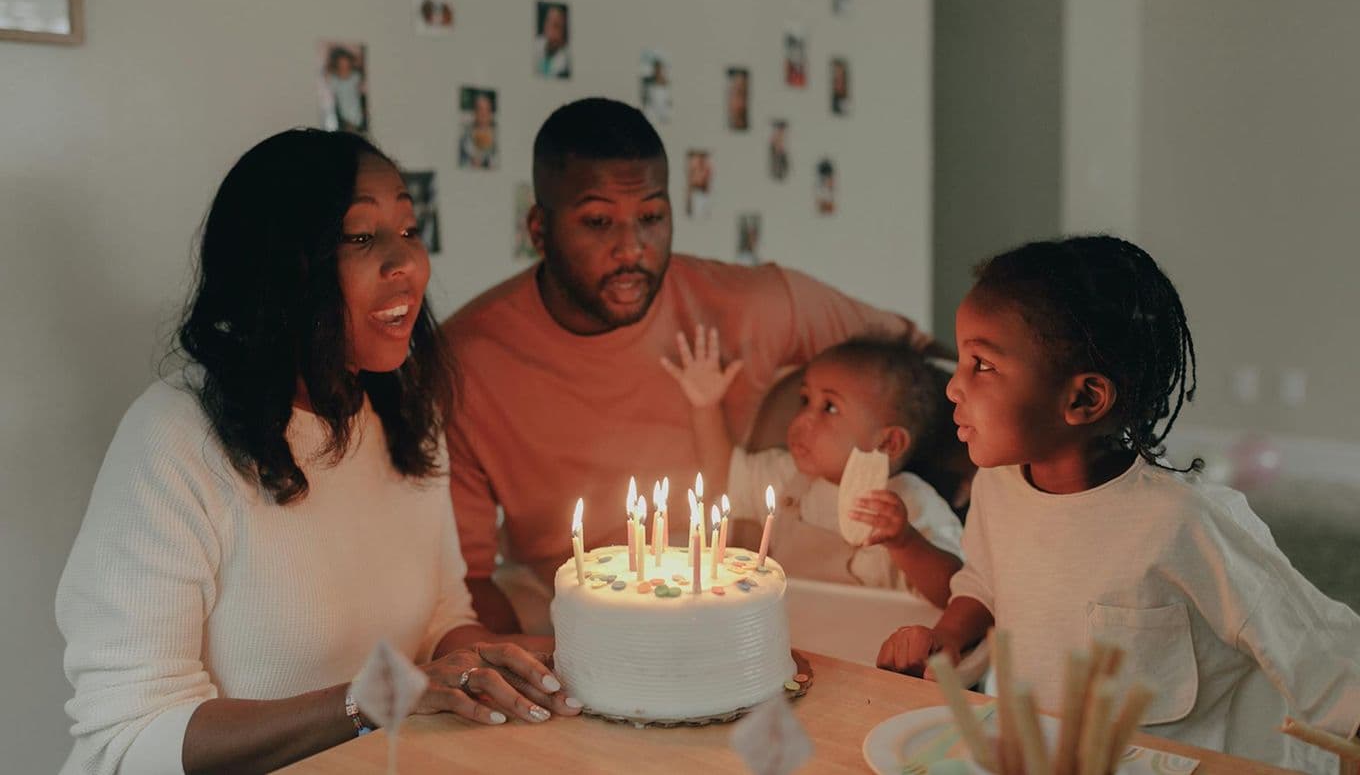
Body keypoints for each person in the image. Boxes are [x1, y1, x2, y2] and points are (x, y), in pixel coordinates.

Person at [56, 130, 580, 775]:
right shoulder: (176, 437)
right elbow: (131, 738)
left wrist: (533, 660)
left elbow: (443, 620)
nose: (408, 264)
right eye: (360, 238)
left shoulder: (404, 412)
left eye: (410, 232)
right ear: (280, 264)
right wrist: (371, 701)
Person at [440, 97, 938, 634]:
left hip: (731, 594)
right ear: (539, 229)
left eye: (651, 217)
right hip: (559, 598)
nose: (631, 248)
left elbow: (920, 364)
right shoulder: (467, 360)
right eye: (598, 222)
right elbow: (465, 581)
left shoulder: (752, 306)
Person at [876, 235, 1360, 773]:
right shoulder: (998, 485)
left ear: (1082, 399)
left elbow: (1312, 641)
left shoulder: (1185, 521)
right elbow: (986, 582)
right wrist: (946, 637)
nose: (954, 389)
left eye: (982, 365)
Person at [662, 331, 962, 605]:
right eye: (805, 400)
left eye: (829, 407)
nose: (803, 418)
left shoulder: (910, 503)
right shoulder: (789, 476)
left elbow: (956, 591)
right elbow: (724, 477)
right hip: (785, 639)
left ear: (887, 443)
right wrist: (705, 406)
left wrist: (905, 542)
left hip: (862, 651)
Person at [323, 46, 367, 133]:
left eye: (345, 62)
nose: (344, 65)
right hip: (342, 113)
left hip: (356, 112)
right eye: (341, 63)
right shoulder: (333, 79)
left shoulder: (356, 76)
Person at [458, 89, 498, 169]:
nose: (483, 113)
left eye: (487, 110)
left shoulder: (497, 136)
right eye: (480, 109)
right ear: (475, 112)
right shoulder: (464, 137)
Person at [533, 2, 571, 78]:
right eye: (548, 21)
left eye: (555, 25)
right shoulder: (536, 43)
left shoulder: (567, 58)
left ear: (564, 30)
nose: (549, 28)